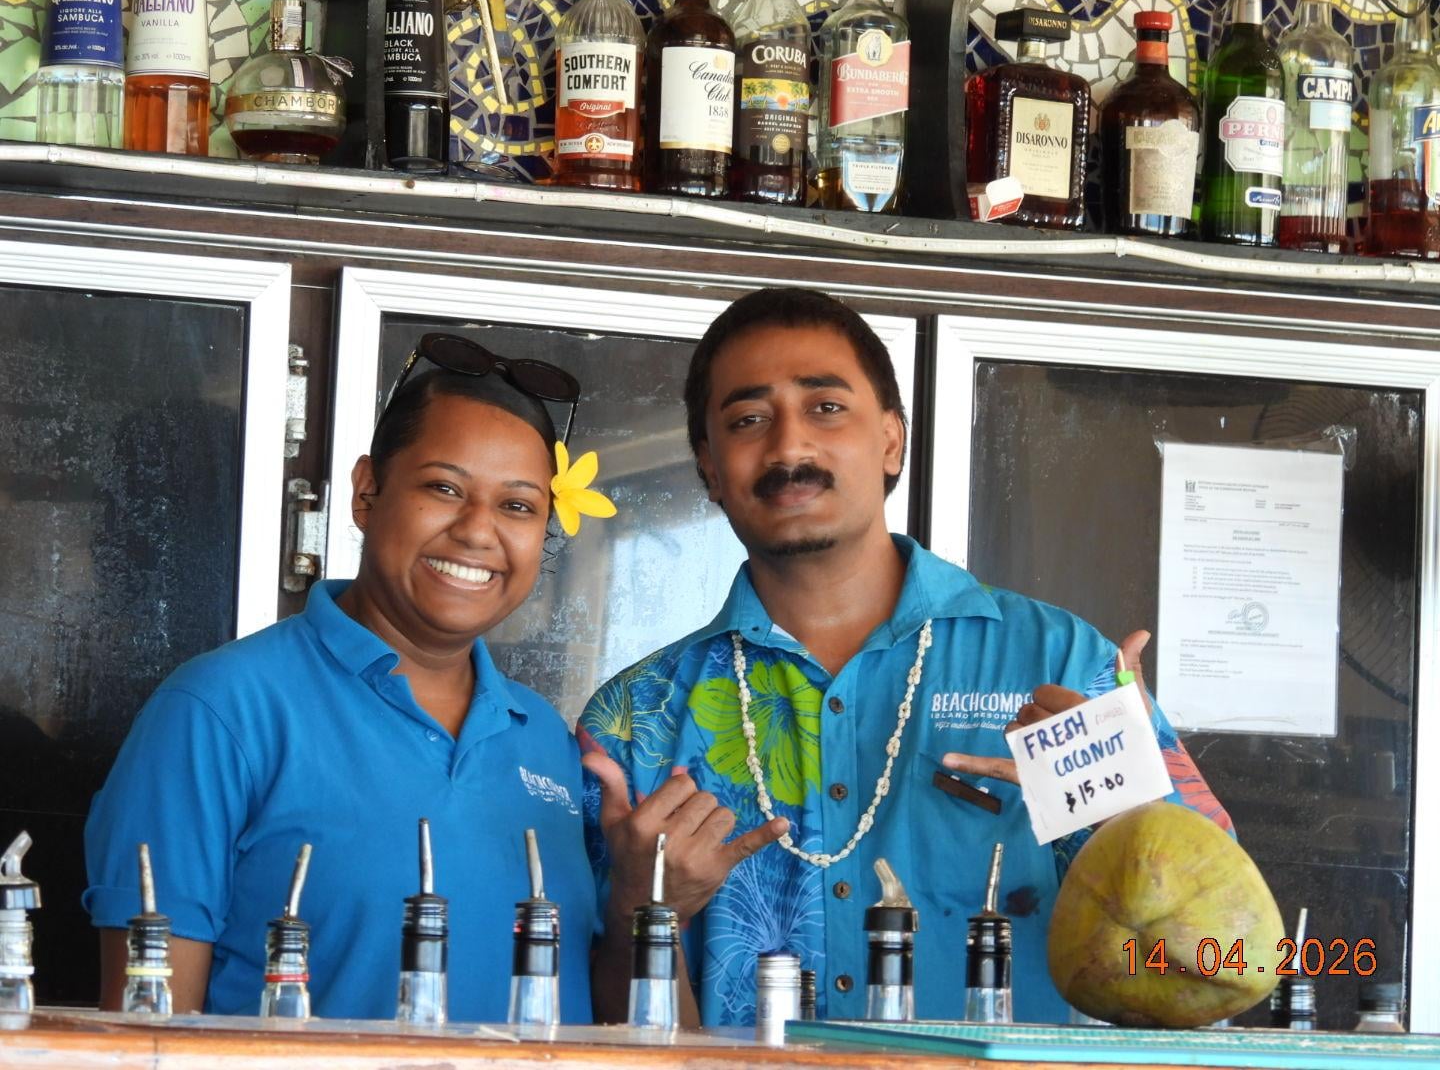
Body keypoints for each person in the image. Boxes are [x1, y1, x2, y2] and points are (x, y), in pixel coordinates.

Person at [579, 289, 1232, 1026]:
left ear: (892, 439)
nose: (790, 449)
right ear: (708, 466)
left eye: (826, 409)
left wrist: (1135, 817)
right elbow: (588, 1022)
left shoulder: (1064, 666)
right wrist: (643, 907)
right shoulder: (637, 718)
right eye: (748, 420)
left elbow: (1229, 966)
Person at [84, 334, 612, 1020]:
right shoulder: (219, 711)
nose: (478, 531)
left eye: (517, 506)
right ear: (368, 492)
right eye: (444, 488)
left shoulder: (544, 737)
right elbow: (143, 1037)